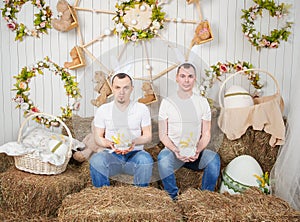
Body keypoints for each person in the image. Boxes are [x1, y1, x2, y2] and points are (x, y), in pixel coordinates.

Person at [157, 63, 221, 200]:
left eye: (190, 76)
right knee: (162, 159)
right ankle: (173, 198)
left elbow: (206, 133)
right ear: (177, 78)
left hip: (194, 153)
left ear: (195, 79)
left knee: (214, 159)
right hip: (173, 153)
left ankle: (204, 198)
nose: (186, 80)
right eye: (183, 76)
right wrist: (175, 150)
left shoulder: (202, 102)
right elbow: (163, 134)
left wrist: (198, 150)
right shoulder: (167, 103)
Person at [89, 73, 153, 187]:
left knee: (146, 160)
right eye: (118, 87)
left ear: (132, 89)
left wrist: (134, 142)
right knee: (96, 161)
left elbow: (148, 136)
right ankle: (104, 198)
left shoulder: (142, 109)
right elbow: (98, 137)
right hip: (112, 155)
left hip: (135, 155)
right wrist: (109, 144)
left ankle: (140, 198)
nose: (121, 92)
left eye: (126, 88)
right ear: (112, 88)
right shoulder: (103, 110)